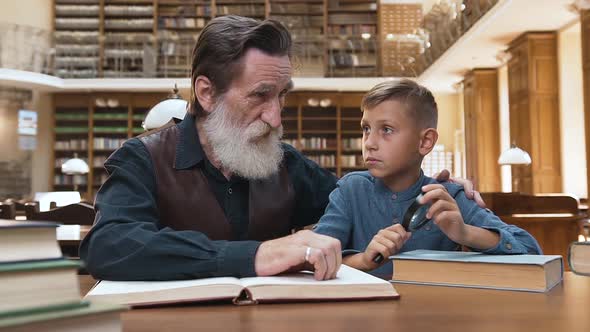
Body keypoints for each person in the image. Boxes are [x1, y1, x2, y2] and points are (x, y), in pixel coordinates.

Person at [80, 16, 483, 282]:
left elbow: (360, 200)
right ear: (207, 93)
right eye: (260, 96)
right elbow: (109, 246)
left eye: (282, 96)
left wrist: (426, 187)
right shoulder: (142, 159)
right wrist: (256, 256)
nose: (275, 117)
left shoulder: (285, 164)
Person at [313, 79, 542, 276]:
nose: (369, 143)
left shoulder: (449, 197)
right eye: (366, 129)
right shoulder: (350, 191)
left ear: (425, 142)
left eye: (387, 130)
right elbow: (314, 257)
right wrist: (363, 260)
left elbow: (531, 250)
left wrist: (465, 233)